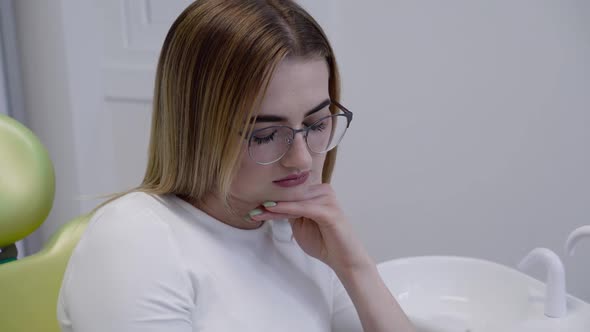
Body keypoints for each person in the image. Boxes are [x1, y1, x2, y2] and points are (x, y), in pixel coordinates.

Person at [57, 1, 415, 331]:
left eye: (317, 124)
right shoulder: (134, 244)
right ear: (196, 129)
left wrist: (354, 267)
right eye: (265, 135)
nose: (302, 159)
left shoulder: (299, 231)